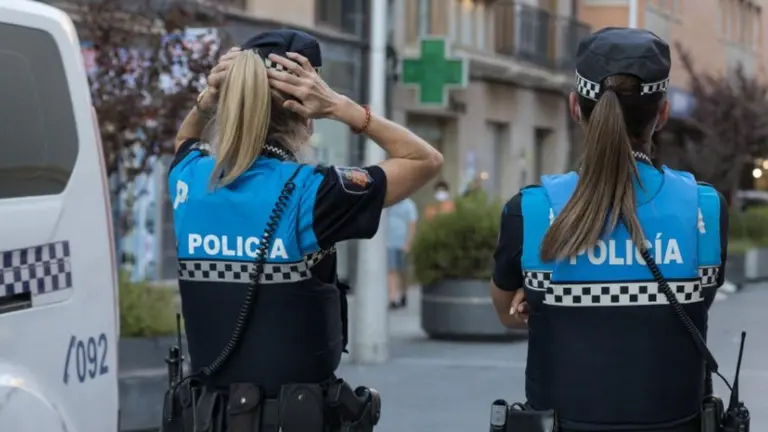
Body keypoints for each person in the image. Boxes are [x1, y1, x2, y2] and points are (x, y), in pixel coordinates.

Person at [166, 29, 442, 432]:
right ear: (306, 116)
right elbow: (424, 160)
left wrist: (207, 100)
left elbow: (185, 139)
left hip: (209, 417)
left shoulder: (189, 180)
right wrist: (345, 108)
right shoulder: (312, 192)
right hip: (295, 417)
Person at [490, 28, 729, 432]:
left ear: (574, 107)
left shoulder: (531, 210)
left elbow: (508, 316)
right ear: (663, 113)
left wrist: (542, 298)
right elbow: (695, 301)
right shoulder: (704, 207)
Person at [386, 197, 418, 309]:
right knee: (391, 270)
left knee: (403, 271)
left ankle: (404, 293)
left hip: (403, 243)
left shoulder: (409, 205)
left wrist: (409, 242)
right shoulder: (388, 204)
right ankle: (393, 298)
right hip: (389, 242)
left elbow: (412, 225)